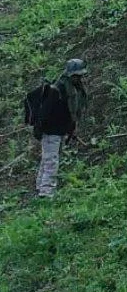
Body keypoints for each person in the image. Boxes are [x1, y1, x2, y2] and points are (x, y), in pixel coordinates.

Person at [33, 58, 88, 197]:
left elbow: (72, 113)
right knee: (51, 160)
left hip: (60, 130)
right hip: (50, 131)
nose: (78, 78)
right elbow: (45, 111)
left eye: (80, 75)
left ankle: (40, 186)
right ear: (70, 75)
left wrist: (71, 129)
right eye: (76, 76)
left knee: (48, 158)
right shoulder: (57, 89)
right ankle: (46, 192)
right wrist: (39, 128)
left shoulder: (75, 90)